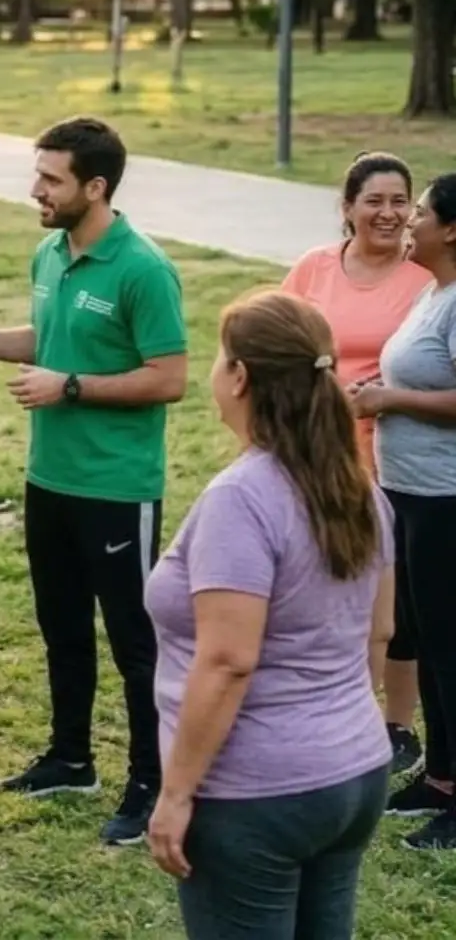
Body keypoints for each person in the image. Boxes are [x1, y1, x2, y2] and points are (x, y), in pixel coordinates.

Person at [146, 290, 393, 937]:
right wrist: (331, 732)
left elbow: (228, 660)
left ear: (240, 377)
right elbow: (380, 631)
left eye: (219, 355)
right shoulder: (360, 489)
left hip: (256, 793)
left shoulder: (241, 499)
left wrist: (175, 793)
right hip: (353, 772)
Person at [0, 116, 188, 846]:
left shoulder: (143, 269)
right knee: (61, 626)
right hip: (50, 479)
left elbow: (168, 378)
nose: (35, 190)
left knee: (135, 642)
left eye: (51, 179)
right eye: (37, 174)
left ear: (95, 187)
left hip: (117, 488)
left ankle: (150, 783)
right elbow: (49, 337)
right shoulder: (50, 252)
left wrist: (70, 386)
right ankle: (70, 759)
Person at [281, 151, 431, 777]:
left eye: (400, 201)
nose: (389, 213)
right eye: (374, 201)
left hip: (392, 460)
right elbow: (281, 342)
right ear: (347, 208)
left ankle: (397, 725)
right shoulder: (315, 267)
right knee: (322, 590)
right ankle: (328, 711)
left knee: (395, 603)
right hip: (316, 454)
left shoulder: (426, 275)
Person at [355, 172, 456, 850]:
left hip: (446, 500)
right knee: (424, 640)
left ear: (450, 229)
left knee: (451, 648)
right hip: (408, 492)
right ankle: (440, 777)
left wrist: (389, 400)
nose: (409, 221)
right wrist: (380, 386)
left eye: (419, 211)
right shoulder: (433, 290)